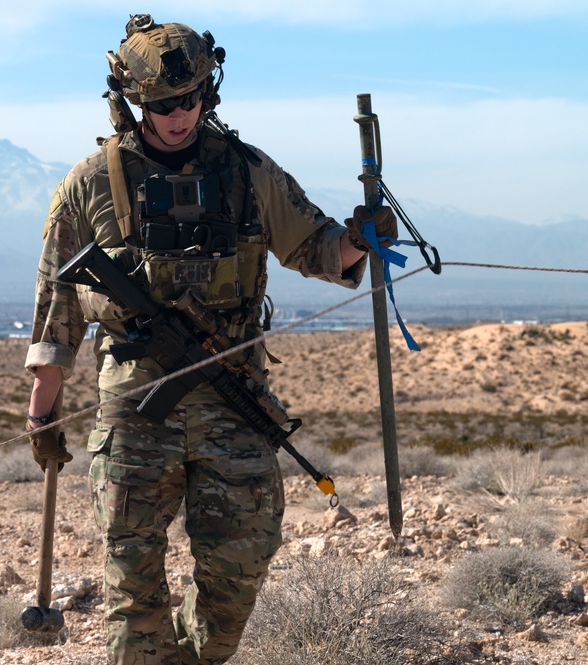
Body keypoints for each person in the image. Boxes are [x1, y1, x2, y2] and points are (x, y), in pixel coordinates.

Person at [24, 14, 397, 665]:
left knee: (239, 572)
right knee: (133, 590)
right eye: (163, 104)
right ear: (134, 100)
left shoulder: (247, 172)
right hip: (134, 410)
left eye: (191, 98)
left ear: (209, 91)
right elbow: (56, 308)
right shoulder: (89, 183)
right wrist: (42, 407)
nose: (179, 113)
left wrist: (359, 238)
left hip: (234, 402)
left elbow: (316, 247)